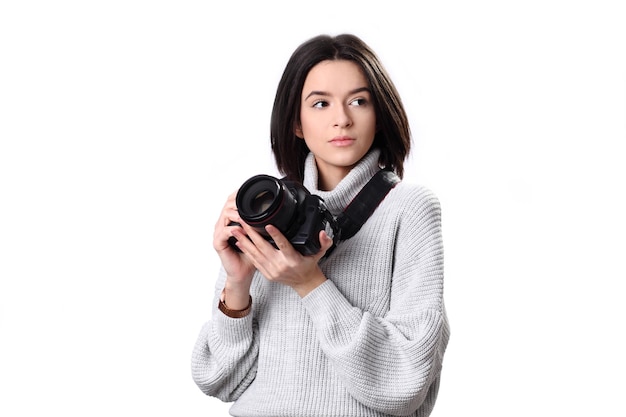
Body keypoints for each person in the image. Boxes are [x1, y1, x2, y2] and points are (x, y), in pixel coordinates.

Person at [191, 33, 450, 417]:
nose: (341, 118)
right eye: (321, 103)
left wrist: (310, 283)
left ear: (379, 115)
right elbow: (219, 380)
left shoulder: (409, 210)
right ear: (296, 123)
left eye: (359, 101)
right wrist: (238, 284)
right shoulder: (268, 214)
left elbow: (403, 383)